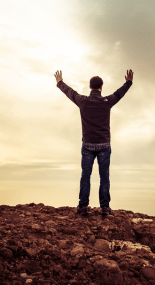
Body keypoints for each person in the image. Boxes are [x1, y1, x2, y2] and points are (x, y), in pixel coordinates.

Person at [54, 69, 133, 216]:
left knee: (86, 175)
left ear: (90, 87)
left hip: (88, 145)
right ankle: (105, 208)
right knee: (104, 176)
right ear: (101, 87)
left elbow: (70, 92)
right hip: (104, 145)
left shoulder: (83, 101)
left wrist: (60, 83)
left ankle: (83, 207)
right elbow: (119, 93)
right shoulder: (107, 102)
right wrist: (128, 82)